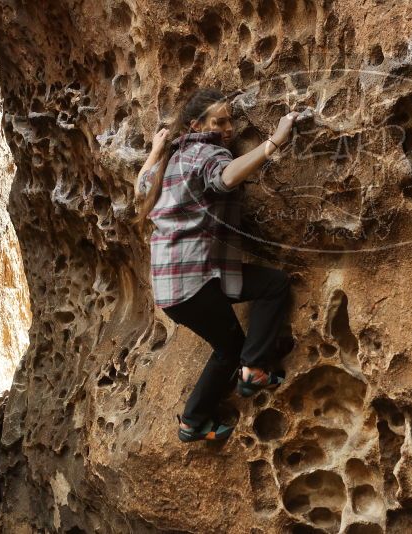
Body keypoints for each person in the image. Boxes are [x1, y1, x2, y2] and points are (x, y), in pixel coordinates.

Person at [132, 87, 300, 442]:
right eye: (218, 121)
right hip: (193, 285)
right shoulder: (203, 154)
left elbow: (140, 185)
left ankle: (232, 385)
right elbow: (225, 176)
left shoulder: (172, 159)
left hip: (180, 283)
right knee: (229, 349)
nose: (228, 128)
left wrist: (155, 149)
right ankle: (213, 405)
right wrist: (274, 142)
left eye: (229, 120)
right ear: (197, 124)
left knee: (270, 286)